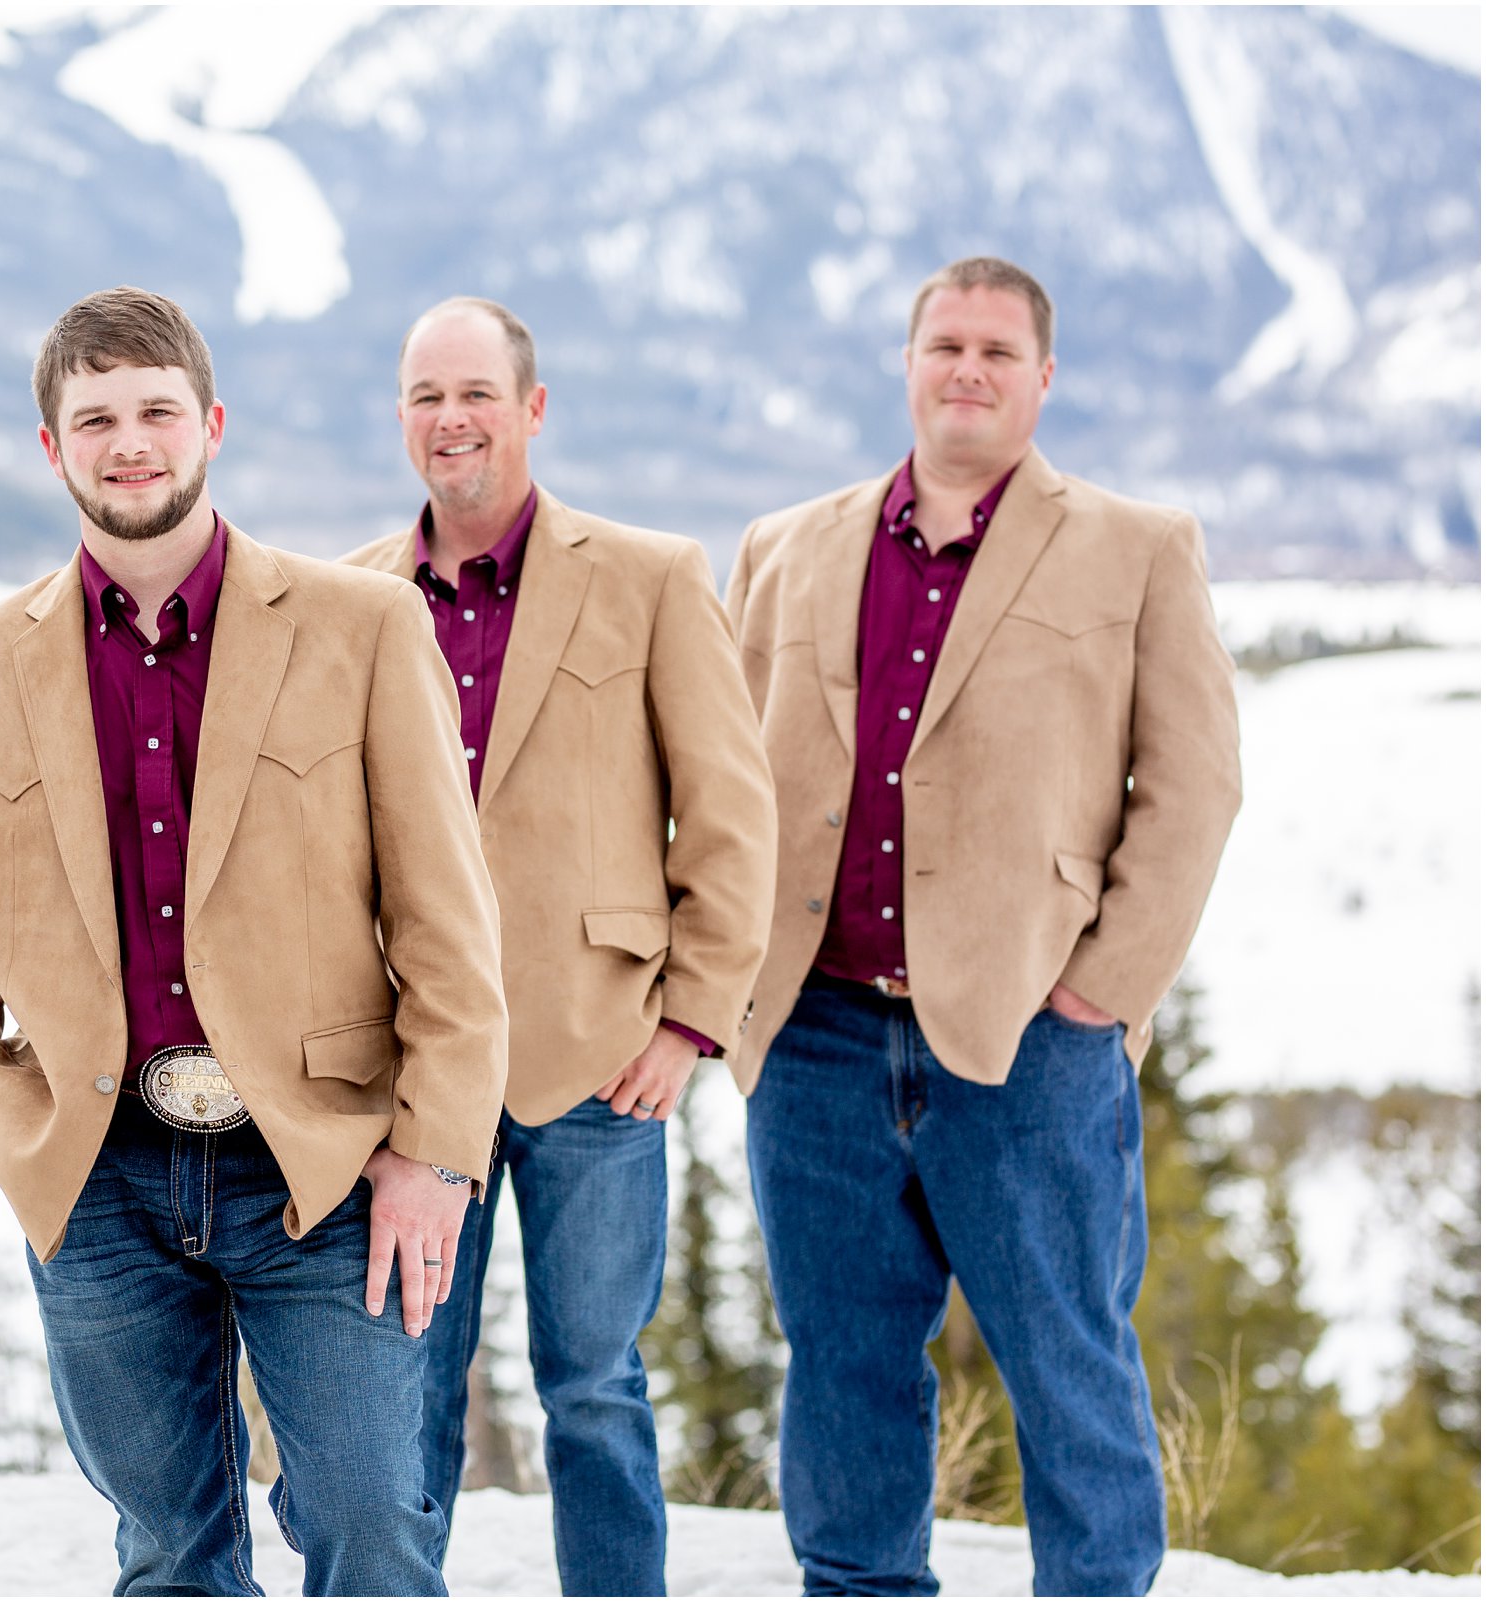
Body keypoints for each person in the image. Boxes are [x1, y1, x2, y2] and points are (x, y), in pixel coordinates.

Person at [0, 286, 507, 1596]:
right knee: (168, 1550)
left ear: (209, 424)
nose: (129, 441)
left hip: (327, 1163)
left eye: (156, 410)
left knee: (370, 1525)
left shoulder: (361, 626)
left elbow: (447, 926)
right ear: (51, 447)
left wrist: (435, 1158)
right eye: (93, 417)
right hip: (94, 1171)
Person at [725, 258, 1242, 1596]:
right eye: (944, 343)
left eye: (995, 351)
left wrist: (1098, 990)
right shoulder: (784, 547)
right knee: (840, 1361)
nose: (966, 368)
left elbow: (1191, 787)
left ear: (1040, 378)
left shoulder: (1136, 548)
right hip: (816, 1037)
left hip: (1028, 1037)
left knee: (1065, 1356)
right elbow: (719, 780)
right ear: (906, 361)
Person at [342, 296, 777, 1594]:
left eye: (474, 392)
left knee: (591, 1386)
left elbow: (729, 810)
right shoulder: (350, 595)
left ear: (530, 408)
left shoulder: (645, 577)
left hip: (598, 1060)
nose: (449, 419)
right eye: (425, 396)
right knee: (402, 1386)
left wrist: (692, 1014)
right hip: (419, 1080)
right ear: (400, 417)